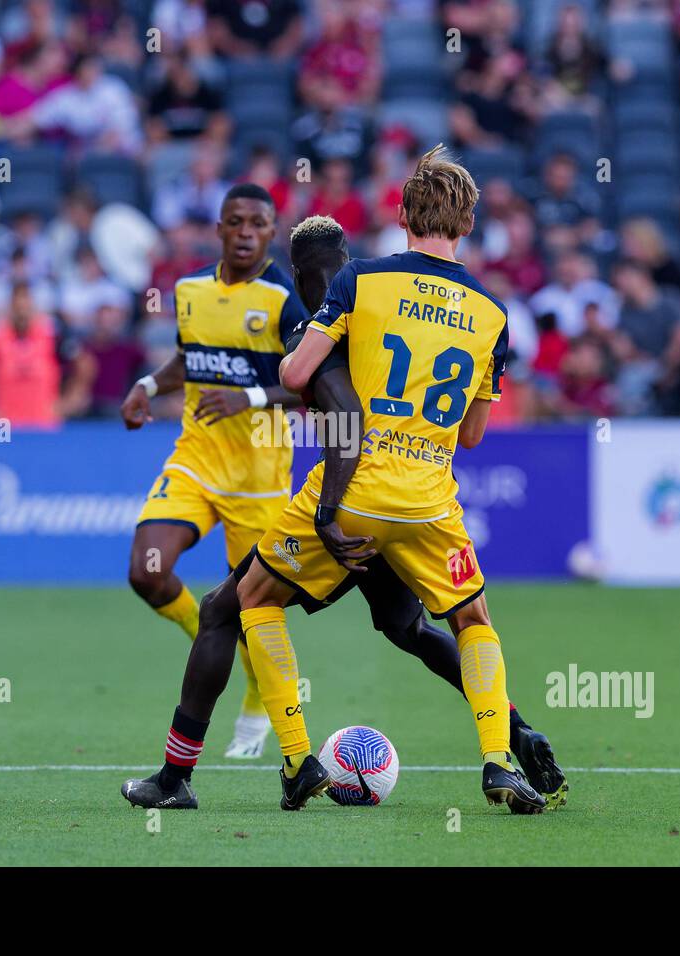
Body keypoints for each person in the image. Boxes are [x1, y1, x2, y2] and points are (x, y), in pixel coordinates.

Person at [120, 215, 567, 811]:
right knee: (410, 628)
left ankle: (197, 775)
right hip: (415, 501)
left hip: (348, 499)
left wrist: (328, 513)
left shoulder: (322, 318)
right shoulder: (383, 303)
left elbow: (343, 420)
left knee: (227, 608)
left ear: (300, 272)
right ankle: (510, 735)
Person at [237, 146, 546, 812]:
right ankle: (497, 762)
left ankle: (297, 760)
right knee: (472, 619)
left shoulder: (361, 281)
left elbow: (295, 377)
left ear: (402, 212)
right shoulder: (493, 316)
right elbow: (472, 435)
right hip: (429, 498)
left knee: (255, 597)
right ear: (467, 224)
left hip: (351, 488)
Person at [119, 183, 310, 759]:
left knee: (255, 608)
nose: (246, 232)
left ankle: (265, 702)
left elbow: (309, 384)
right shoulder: (191, 289)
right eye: (235, 222)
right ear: (220, 229)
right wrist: (149, 385)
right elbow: (191, 357)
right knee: (147, 571)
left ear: (272, 232)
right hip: (197, 462)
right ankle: (204, 634)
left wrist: (248, 398)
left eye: (257, 223)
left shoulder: (284, 299)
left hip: (260, 481)